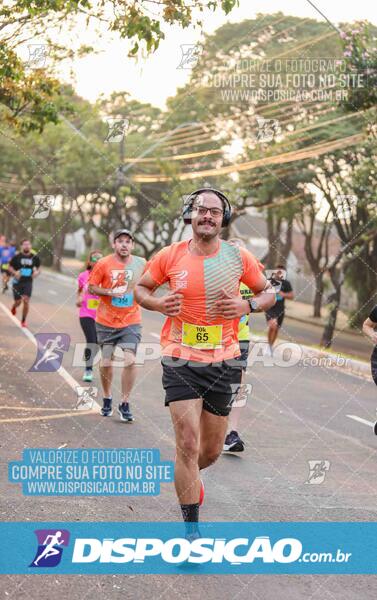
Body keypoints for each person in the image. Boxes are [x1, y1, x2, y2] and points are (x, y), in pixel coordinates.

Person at [134, 188, 276, 535]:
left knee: (210, 451)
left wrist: (248, 306)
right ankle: (191, 529)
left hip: (225, 361)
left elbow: (268, 292)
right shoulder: (170, 255)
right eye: (201, 210)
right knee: (187, 442)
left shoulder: (237, 257)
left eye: (214, 211)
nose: (207, 216)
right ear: (190, 215)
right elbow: (141, 289)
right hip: (180, 357)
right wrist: (157, 304)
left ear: (222, 219)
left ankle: (190, 476)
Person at [88, 229, 146, 421]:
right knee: (106, 362)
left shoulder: (141, 263)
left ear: (132, 245)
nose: (124, 245)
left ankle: (125, 402)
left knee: (130, 360)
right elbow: (92, 287)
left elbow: (149, 283)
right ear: (114, 244)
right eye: (120, 241)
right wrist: (110, 292)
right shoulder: (103, 263)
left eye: (127, 242)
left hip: (131, 321)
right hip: (106, 321)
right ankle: (107, 397)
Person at [223, 238, 260, 453]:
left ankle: (232, 433)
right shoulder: (217, 279)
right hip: (214, 339)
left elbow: (266, 297)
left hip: (241, 338)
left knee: (239, 383)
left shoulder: (251, 281)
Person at [77, 250, 103, 382]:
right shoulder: (83, 276)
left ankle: (89, 360)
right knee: (91, 341)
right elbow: (80, 291)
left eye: (100, 259)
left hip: (101, 316)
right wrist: (79, 298)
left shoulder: (107, 277)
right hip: (86, 313)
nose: (97, 262)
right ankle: (88, 369)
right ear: (90, 262)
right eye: (95, 259)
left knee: (98, 343)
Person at [9, 239, 41, 328]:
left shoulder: (35, 257)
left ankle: (23, 321)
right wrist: (15, 273)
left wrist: (36, 273)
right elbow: (10, 267)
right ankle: (14, 307)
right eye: (24, 244)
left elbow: (39, 268)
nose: (26, 246)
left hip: (28, 282)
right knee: (18, 301)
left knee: (26, 301)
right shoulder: (17, 257)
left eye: (28, 244)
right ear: (21, 246)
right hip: (17, 282)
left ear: (30, 246)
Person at [265, 264, 294, 354]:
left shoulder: (286, 283)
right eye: (277, 272)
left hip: (280, 309)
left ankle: (270, 346)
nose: (279, 274)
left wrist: (283, 294)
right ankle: (269, 346)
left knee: (276, 328)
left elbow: (292, 295)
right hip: (270, 307)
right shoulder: (270, 281)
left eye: (281, 272)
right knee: (273, 325)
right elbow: (262, 291)